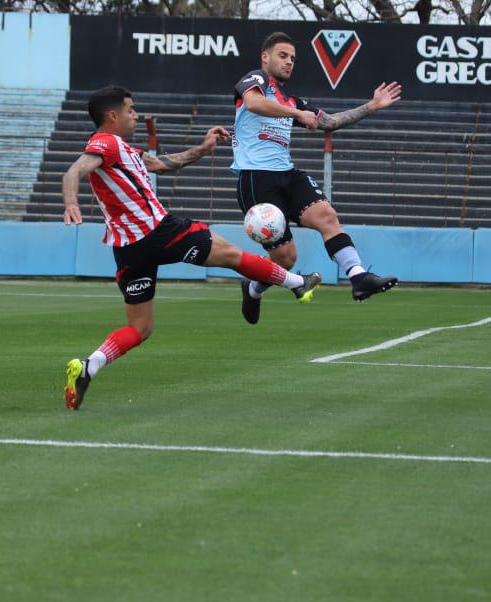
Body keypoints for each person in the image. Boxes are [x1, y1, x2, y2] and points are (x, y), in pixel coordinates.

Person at [61, 85, 322, 410]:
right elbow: (75, 170)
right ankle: (297, 284)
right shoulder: (105, 142)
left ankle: (89, 366)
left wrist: (204, 146)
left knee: (140, 328)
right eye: (130, 109)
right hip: (157, 230)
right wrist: (71, 202)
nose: (136, 115)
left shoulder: (125, 151)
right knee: (230, 254)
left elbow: (167, 163)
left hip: (129, 249)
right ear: (112, 116)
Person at [232, 31, 402, 325]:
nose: (288, 62)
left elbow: (330, 122)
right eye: (282, 56)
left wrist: (370, 107)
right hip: (255, 179)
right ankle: (253, 288)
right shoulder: (255, 80)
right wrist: (295, 113)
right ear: (265, 57)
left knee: (326, 216)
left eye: (293, 59)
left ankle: (358, 277)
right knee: (286, 259)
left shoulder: (293, 100)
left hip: (287, 174)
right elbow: (253, 104)